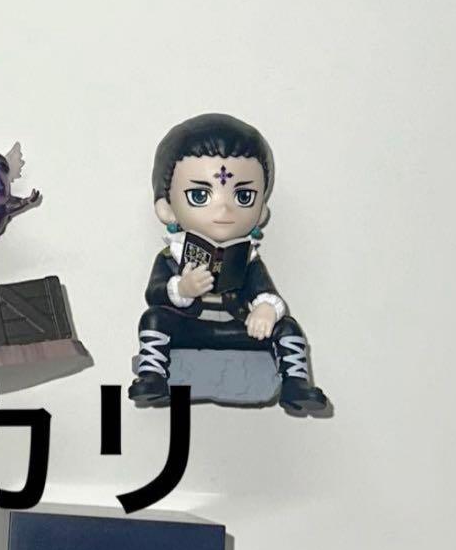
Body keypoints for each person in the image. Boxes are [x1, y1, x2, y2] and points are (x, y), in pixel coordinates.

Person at [128, 112, 329, 415]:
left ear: (261, 212)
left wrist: (265, 309)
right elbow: (154, 293)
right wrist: (182, 288)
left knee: (287, 327)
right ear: (166, 208)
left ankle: (295, 384)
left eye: (244, 196)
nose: (224, 208)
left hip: (238, 330)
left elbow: (265, 292)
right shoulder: (171, 256)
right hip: (189, 328)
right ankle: (153, 376)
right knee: (153, 318)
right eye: (200, 195)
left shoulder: (248, 260)